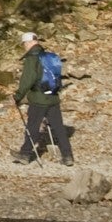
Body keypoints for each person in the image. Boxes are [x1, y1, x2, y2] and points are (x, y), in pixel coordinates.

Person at [12, 31, 71, 166]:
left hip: (39, 99)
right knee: (59, 127)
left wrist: (18, 95)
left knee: (32, 126)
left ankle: (25, 154)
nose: (24, 47)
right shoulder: (49, 56)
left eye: (24, 44)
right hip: (53, 97)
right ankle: (68, 156)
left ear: (28, 43)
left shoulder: (32, 58)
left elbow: (28, 79)